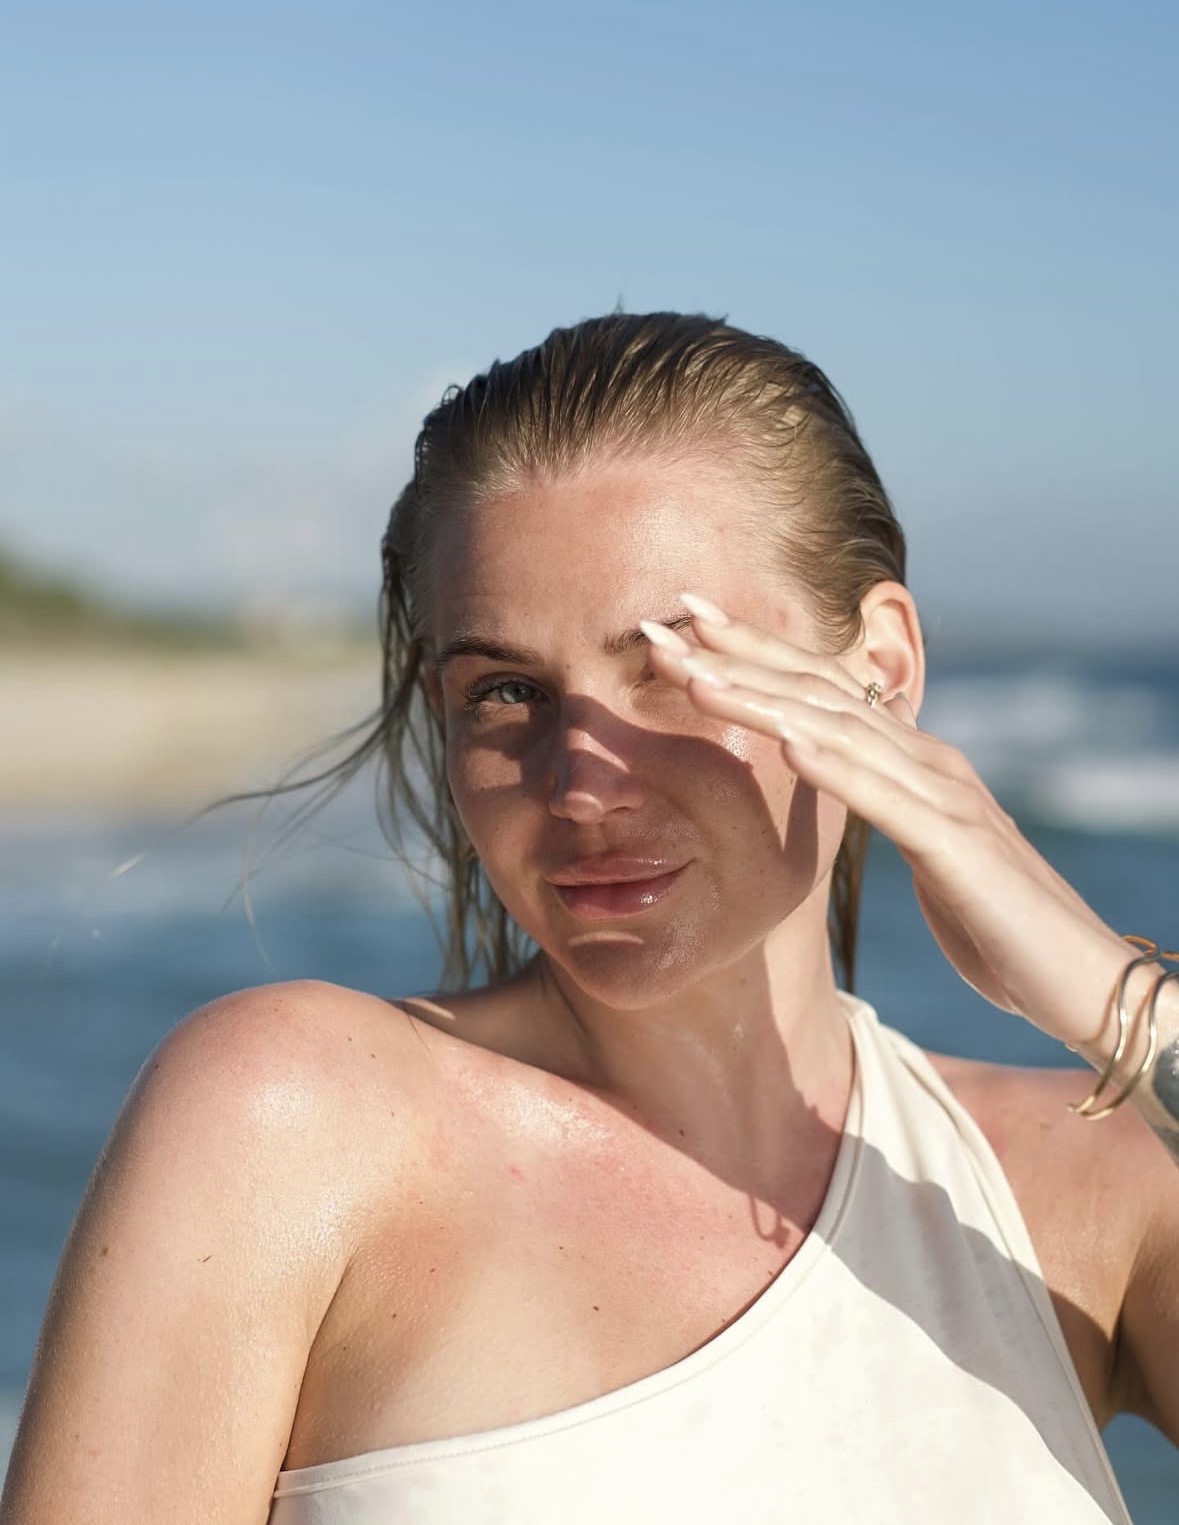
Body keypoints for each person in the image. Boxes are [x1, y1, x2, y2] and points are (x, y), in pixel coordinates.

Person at [2, 312, 1177, 1525]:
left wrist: (1117, 1005)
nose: (580, 786)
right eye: (507, 691)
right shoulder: (290, 1126)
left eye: (670, 668)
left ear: (878, 669)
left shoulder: (1083, 1196)